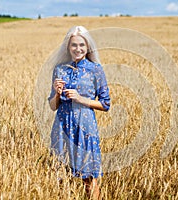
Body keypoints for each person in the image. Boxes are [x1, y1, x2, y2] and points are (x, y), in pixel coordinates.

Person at [48, 26, 110, 199]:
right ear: (68, 47)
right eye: (74, 45)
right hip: (61, 126)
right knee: (61, 177)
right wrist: (58, 93)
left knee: (89, 178)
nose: (78, 49)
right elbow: (53, 106)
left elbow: (105, 104)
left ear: (88, 47)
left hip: (85, 126)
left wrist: (81, 99)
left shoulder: (96, 70)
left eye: (81, 45)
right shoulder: (59, 69)